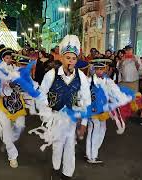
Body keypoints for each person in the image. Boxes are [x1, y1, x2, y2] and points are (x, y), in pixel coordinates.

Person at [36, 35, 91, 180]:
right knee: (57, 145)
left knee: (70, 146)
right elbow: (41, 95)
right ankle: (55, 169)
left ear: (76, 60)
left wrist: (84, 123)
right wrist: (46, 115)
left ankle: (67, 174)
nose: (71, 61)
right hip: (55, 117)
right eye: (68, 58)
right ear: (61, 58)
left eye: (73, 59)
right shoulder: (51, 74)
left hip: (72, 117)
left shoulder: (82, 77)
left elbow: (86, 100)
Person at [85, 59, 132, 164]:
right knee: (93, 129)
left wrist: (124, 98)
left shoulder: (108, 81)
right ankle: (92, 156)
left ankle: (92, 151)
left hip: (103, 109)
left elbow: (115, 92)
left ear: (105, 69)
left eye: (101, 69)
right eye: (97, 69)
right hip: (92, 110)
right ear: (94, 70)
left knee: (102, 129)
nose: (99, 71)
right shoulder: (89, 81)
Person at [0, 49, 27, 168]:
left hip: (16, 102)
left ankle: (7, 140)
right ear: (3, 58)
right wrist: (7, 84)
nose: (9, 59)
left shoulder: (15, 68)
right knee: (7, 129)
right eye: (6, 57)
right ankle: (12, 155)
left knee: (20, 125)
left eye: (10, 57)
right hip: (3, 103)